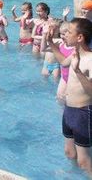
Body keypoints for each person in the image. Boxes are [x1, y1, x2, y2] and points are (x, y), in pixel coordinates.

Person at [49, 18, 92, 176]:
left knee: (84, 161)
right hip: (69, 110)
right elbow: (63, 62)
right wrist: (50, 42)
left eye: (69, 32)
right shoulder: (74, 53)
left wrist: (79, 72)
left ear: (80, 37)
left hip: (83, 113)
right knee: (69, 153)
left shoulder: (90, 59)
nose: (65, 34)